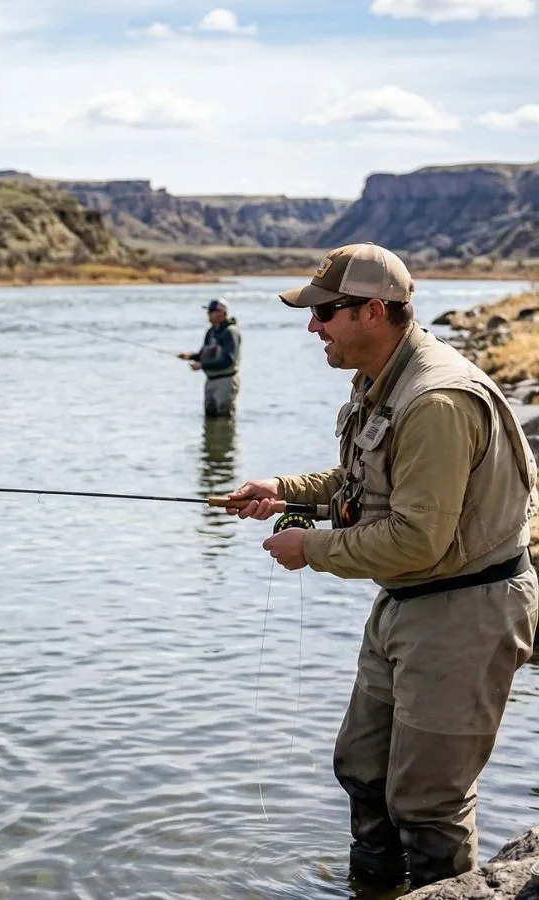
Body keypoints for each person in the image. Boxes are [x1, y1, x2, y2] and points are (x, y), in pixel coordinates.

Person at [226, 242, 539, 890]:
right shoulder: (382, 379)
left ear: (372, 311)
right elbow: (360, 476)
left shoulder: (436, 402)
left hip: (466, 612)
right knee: (363, 772)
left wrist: (308, 548)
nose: (313, 326)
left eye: (324, 313)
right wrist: (284, 490)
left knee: (428, 805)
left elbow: (416, 540)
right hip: (410, 602)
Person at [177, 299, 241, 417]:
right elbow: (204, 354)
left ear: (223, 313)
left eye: (212, 311)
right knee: (210, 416)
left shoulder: (230, 332)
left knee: (224, 417)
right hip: (210, 380)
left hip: (225, 381)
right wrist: (190, 356)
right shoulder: (211, 331)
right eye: (208, 311)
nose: (208, 314)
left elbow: (228, 360)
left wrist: (202, 365)